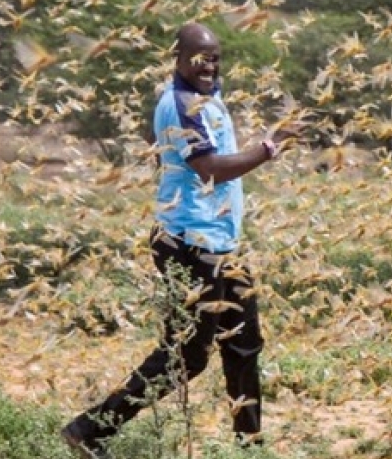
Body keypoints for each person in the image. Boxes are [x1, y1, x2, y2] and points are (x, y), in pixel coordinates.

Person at [61, 23, 298, 457]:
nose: (209, 66)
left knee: (244, 343)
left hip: (220, 244)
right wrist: (268, 148)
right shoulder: (181, 104)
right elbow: (209, 168)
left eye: (215, 58)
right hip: (190, 244)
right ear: (179, 58)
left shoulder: (208, 98)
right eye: (200, 58)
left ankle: (249, 447)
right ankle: (89, 430)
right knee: (187, 355)